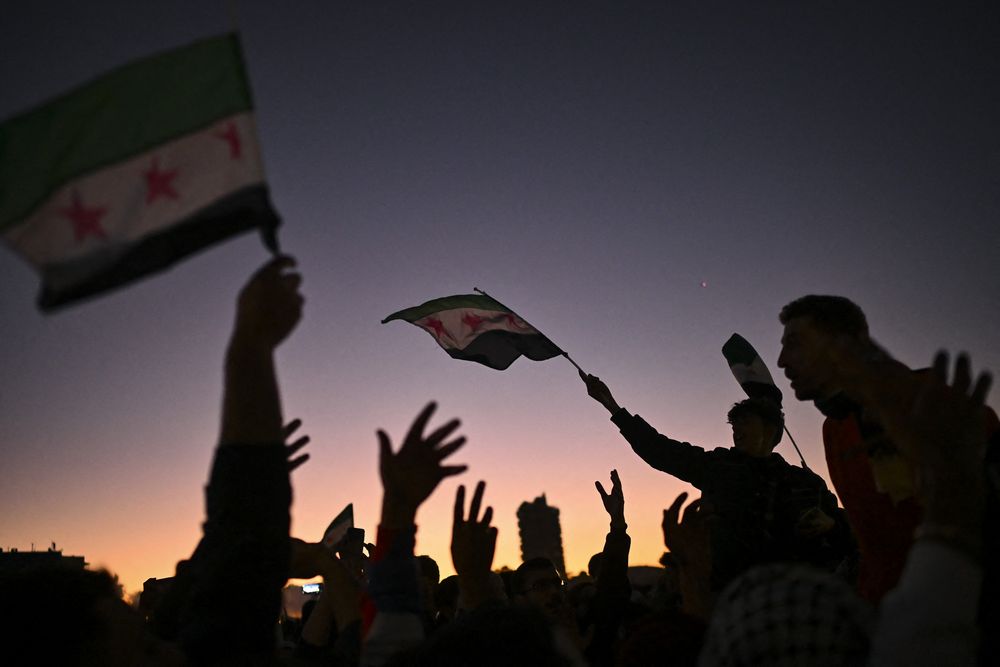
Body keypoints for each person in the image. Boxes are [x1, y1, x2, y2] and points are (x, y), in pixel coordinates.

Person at [581, 372, 852, 591]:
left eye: (745, 423)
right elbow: (660, 450)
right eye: (734, 426)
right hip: (728, 595)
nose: (737, 431)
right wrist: (613, 407)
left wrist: (831, 525)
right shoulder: (717, 467)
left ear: (770, 430)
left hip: (795, 598)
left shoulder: (805, 481)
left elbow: (850, 532)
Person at [776, 295, 926, 601]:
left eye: (795, 343)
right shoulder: (835, 428)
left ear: (846, 342)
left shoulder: (931, 403)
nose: (781, 361)